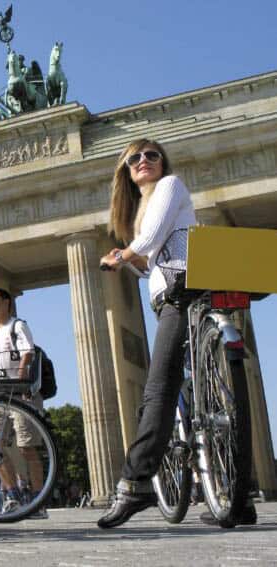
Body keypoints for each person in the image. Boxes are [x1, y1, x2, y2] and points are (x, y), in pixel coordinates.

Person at [95, 139, 232, 527]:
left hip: (183, 290)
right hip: (171, 292)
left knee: (159, 387)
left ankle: (136, 483)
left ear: (162, 162)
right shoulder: (141, 208)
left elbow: (152, 241)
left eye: (151, 155)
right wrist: (129, 261)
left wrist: (121, 255)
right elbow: (150, 261)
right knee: (206, 392)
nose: (144, 161)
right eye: (134, 158)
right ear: (125, 169)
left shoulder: (170, 185)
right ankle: (231, 493)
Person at [0, 287, 48, 519]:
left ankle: (38, 499)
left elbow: (27, 353)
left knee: (27, 447)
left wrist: (19, 386)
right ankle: (12, 495)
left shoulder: (17, 326)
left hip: (20, 395)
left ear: (7, 302)